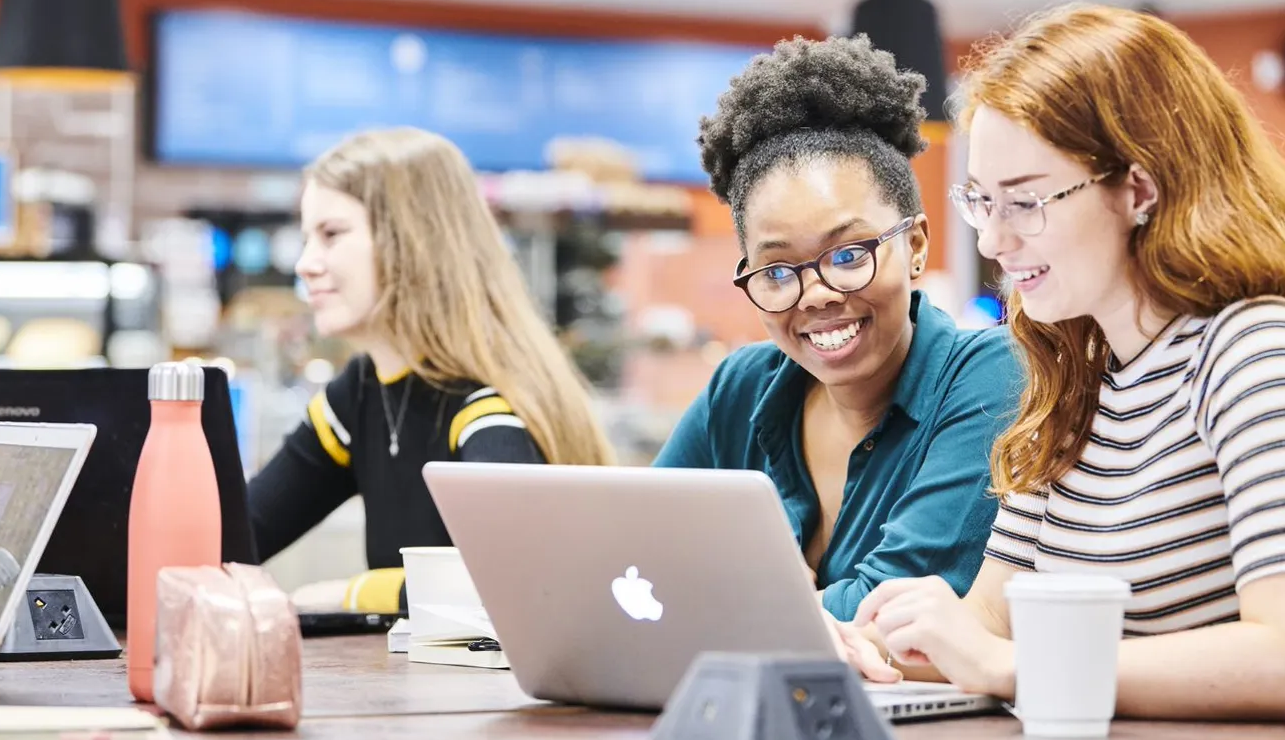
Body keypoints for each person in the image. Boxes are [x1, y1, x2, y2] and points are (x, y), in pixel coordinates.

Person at [837, 3, 1285, 720]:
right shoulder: (1079, 375)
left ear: (1138, 191)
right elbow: (988, 629)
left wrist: (1009, 664)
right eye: (980, 202)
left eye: (1023, 202)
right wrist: (851, 641)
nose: (992, 241)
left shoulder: (1253, 353)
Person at [653, 35, 1023, 625]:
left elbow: (891, 609)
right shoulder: (742, 389)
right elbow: (639, 559)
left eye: (849, 255)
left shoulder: (991, 375)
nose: (818, 295)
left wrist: (744, 591)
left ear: (917, 246)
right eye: (777, 270)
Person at [248, 127, 615, 613]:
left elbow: (503, 581)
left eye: (331, 234)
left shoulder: (485, 407)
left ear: (413, 239)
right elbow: (236, 536)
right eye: (305, 238)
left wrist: (349, 595)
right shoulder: (359, 394)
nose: (305, 264)